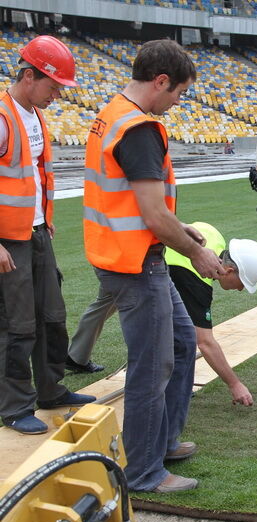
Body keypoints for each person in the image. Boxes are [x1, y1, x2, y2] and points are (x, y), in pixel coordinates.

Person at [83, 39, 223, 493]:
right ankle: (143, 470)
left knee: (182, 345)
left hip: (126, 256)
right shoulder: (140, 128)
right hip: (135, 263)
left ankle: (162, 441)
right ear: (160, 81)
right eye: (178, 93)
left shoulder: (113, 112)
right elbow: (151, 214)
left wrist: (180, 225)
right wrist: (197, 251)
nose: (176, 102)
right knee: (152, 365)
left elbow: (138, 201)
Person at [0, 36, 97, 436]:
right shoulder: (4, 117)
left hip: (37, 232)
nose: (58, 94)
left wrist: (45, 217)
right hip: (10, 242)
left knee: (52, 317)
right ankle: (15, 405)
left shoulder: (35, 116)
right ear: (28, 76)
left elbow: (35, 177)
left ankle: (51, 390)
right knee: (17, 325)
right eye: (53, 86)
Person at [69, 222, 257, 407]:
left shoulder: (214, 236)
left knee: (104, 304)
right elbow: (205, 342)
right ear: (229, 269)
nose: (241, 289)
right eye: (243, 283)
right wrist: (235, 384)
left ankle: (76, 356)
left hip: (125, 254)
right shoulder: (196, 281)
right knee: (165, 330)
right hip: (138, 267)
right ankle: (159, 388)